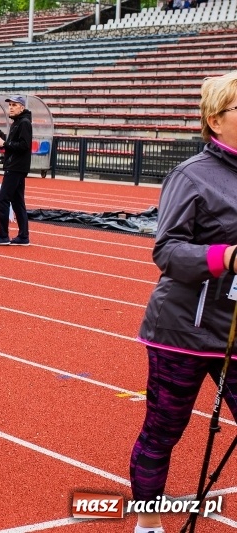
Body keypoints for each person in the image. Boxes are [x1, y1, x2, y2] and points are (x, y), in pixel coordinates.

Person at [130, 71, 237, 533]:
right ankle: (148, 522)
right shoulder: (191, 175)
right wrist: (226, 256)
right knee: (164, 430)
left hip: (235, 329)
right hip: (183, 331)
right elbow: (167, 250)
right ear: (216, 119)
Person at [0, 96, 32, 246]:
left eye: (14, 105)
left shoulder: (24, 123)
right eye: (10, 105)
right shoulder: (18, 122)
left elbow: (24, 145)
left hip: (15, 167)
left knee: (2, 199)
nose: (11, 107)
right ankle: (23, 237)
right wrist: (2, 143)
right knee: (17, 202)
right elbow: (16, 144)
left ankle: (3, 236)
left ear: (22, 108)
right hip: (15, 166)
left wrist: (4, 143)